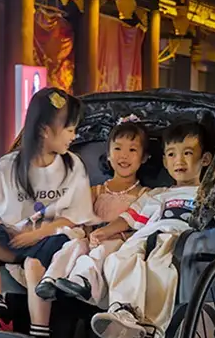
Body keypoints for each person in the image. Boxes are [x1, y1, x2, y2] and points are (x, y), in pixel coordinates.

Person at [90, 122, 215, 338]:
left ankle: (152, 334)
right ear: (164, 161)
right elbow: (130, 218)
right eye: (172, 154)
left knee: (159, 268)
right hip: (144, 237)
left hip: (177, 240)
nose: (179, 161)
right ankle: (123, 310)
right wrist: (104, 231)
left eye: (187, 153)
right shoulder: (157, 194)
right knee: (118, 260)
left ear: (205, 159)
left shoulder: (211, 196)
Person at [0, 88, 95, 338]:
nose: (74, 136)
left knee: (33, 264)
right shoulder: (9, 165)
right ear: (45, 130)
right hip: (17, 238)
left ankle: (40, 334)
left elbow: (76, 217)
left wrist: (37, 234)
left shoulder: (73, 166)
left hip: (54, 239)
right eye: (69, 130)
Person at [36, 116, 149, 306]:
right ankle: (51, 279)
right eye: (118, 149)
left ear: (144, 157)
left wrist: (115, 235)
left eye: (132, 150)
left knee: (101, 251)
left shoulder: (144, 194)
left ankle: (82, 280)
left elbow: (138, 225)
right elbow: (79, 215)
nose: (124, 156)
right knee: (73, 246)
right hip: (91, 238)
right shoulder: (97, 190)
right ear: (108, 155)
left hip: (119, 242)